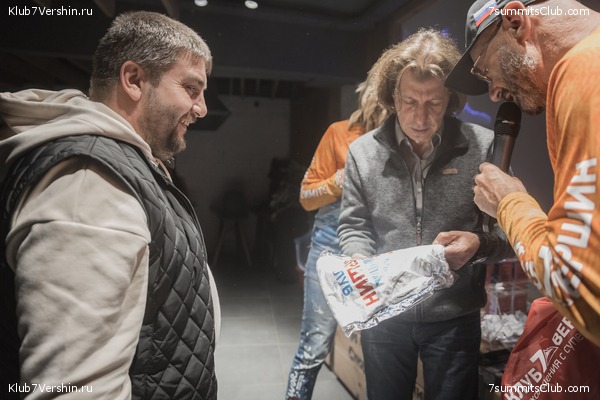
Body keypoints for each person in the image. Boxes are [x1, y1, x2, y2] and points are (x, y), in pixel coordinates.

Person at [0, 11, 219, 399]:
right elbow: (74, 387)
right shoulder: (88, 183)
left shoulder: (125, 161)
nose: (201, 108)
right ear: (133, 79)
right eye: (191, 88)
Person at [337, 28, 513, 400]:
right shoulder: (362, 153)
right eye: (409, 101)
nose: (420, 117)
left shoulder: (483, 148)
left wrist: (478, 245)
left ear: (450, 99)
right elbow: (354, 225)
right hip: (384, 314)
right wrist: (358, 259)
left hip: (454, 317)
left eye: (433, 102)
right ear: (392, 97)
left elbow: (511, 232)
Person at [445, 0, 600, 347]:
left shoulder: (583, 70)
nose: (494, 93)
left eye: (485, 70)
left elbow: (581, 289)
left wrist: (509, 202)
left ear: (515, 23)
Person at [285, 64, 389, 400]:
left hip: (380, 253)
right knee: (314, 344)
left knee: (381, 352)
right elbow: (306, 197)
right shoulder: (339, 133)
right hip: (330, 248)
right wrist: (337, 181)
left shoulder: (402, 141)